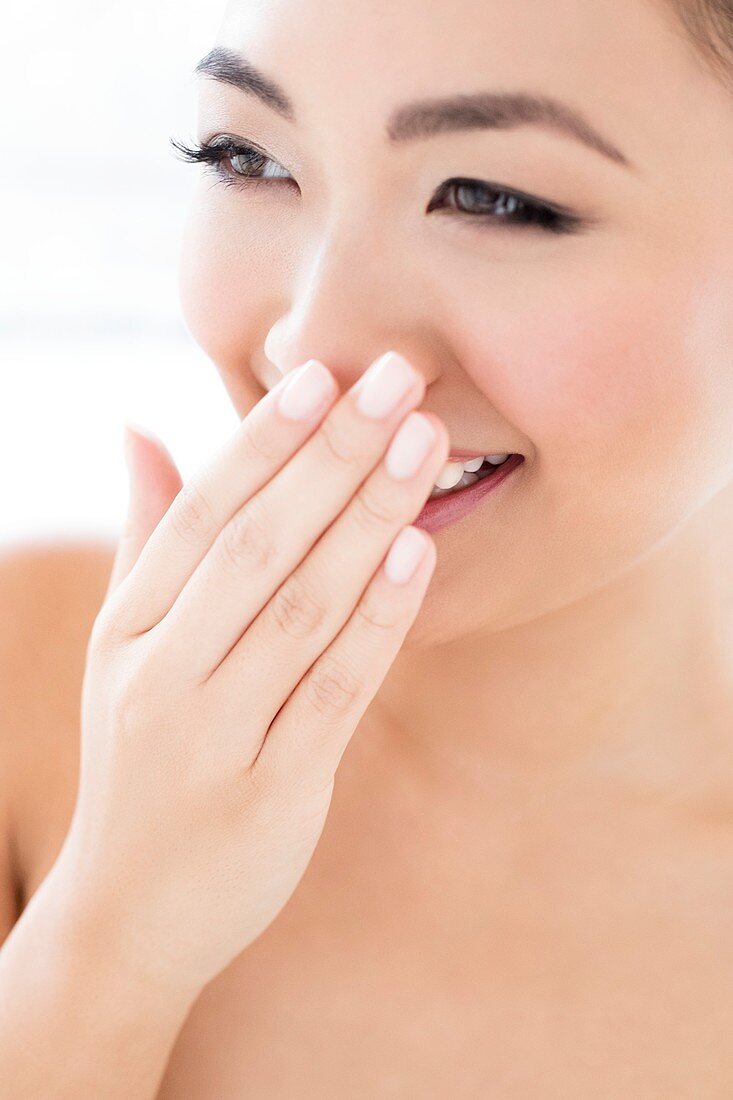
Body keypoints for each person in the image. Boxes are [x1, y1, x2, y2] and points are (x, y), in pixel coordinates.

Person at [2, 0, 733, 1094]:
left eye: (496, 200)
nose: (315, 341)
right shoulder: (30, 701)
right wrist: (112, 926)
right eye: (243, 155)